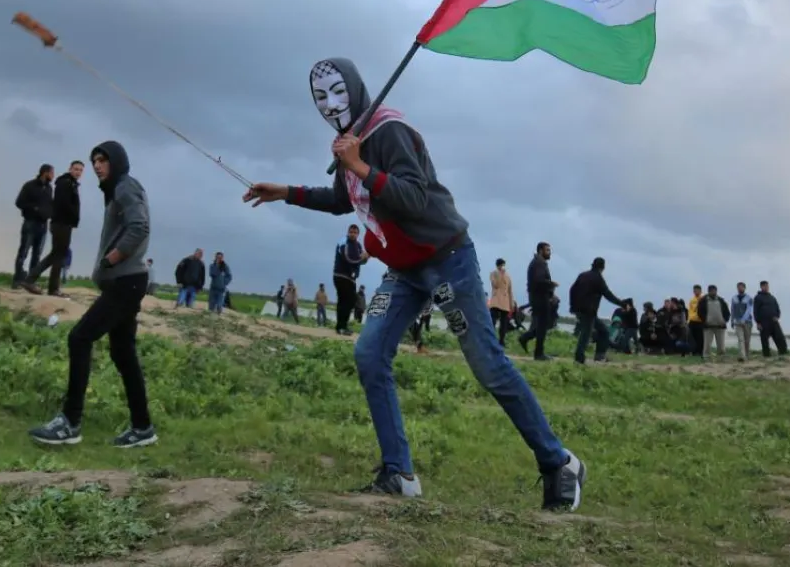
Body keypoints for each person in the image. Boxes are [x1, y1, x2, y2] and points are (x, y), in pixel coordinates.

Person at [241, 57, 584, 510]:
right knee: (369, 352)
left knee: (487, 363)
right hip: (402, 268)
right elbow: (346, 200)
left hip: (447, 258)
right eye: (321, 97)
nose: (330, 104)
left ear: (359, 89)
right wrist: (286, 192)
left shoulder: (388, 131)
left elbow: (414, 195)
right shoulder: (352, 143)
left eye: (339, 93)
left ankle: (557, 463)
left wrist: (360, 166)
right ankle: (398, 473)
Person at [29, 140, 157, 448]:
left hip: (126, 281)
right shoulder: (117, 189)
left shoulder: (126, 186)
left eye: (103, 160)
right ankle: (143, 428)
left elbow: (139, 227)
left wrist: (112, 258)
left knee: (80, 338)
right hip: (125, 281)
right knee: (122, 353)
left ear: (117, 162)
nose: (98, 165)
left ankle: (70, 423)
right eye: (95, 160)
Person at [27, 160, 84, 295]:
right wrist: (72, 217)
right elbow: (63, 204)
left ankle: (51, 287)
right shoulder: (65, 183)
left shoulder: (71, 184)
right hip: (61, 223)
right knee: (57, 254)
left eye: (80, 170)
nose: (78, 172)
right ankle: (33, 280)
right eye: (76, 169)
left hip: (64, 223)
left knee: (58, 255)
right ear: (70, 169)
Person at [568, 258, 627, 365]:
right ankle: (580, 358)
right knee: (587, 334)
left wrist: (572, 306)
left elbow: (572, 290)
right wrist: (622, 304)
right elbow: (608, 295)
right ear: (602, 267)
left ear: (592, 265)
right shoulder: (598, 279)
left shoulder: (582, 275)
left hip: (578, 309)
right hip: (589, 311)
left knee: (602, 331)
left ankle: (598, 356)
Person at [13, 164, 54, 289]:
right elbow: (19, 202)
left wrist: (50, 213)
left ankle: (30, 281)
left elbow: (49, 204)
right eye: (51, 173)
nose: (53, 176)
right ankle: (17, 280)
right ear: (45, 172)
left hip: (43, 225)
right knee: (24, 252)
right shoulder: (29, 185)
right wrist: (34, 209)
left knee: (37, 254)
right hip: (30, 222)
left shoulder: (49, 188)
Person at [518, 243, 558, 361]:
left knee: (543, 325)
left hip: (539, 298)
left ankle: (526, 339)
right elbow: (538, 280)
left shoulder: (539, 263)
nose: (549, 252)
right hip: (539, 299)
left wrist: (551, 293)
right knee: (543, 325)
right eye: (547, 250)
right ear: (541, 251)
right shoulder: (538, 263)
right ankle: (538, 353)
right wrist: (551, 284)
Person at [333, 223, 367, 335]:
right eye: (351, 232)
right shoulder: (343, 241)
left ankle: (342, 326)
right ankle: (341, 327)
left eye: (355, 232)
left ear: (358, 234)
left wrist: (363, 260)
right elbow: (347, 257)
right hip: (341, 275)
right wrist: (362, 259)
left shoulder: (358, 245)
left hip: (351, 278)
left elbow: (359, 262)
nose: (352, 234)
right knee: (344, 301)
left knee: (350, 301)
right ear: (348, 232)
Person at [752, 281, 788, 357]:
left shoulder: (772, 297)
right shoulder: (758, 297)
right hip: (763, 322)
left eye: (767, 286)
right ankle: (766, 355)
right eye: (765, 286)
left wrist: (777, 316)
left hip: (774, 321)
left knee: (780, 338)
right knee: (764, 340)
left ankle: (783, 353)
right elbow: (755, 311)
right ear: (761, 287)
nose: (766, 287)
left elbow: (777, 308)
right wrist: (758, 322)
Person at [488, 258, 517, 347]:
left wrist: (511, 303)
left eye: (503, 265)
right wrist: (500, 274)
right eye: (501, 265)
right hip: (496, 301)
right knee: (493, 320)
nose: (502, 267)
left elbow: (510, 291)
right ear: (497, 266)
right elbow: (495, 285)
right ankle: (491, 339)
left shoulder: (508, 276)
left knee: (504, 323)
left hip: (505, 302)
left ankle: (502, 341)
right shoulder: (493, 274)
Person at [697, 285, 730, 360]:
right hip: (708, 326)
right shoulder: (703, 300)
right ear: (708, 291)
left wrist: (725, 320)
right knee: (707, 344)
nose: (713, 292)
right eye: (711, 291)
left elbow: (727, 312)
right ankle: (706, 357)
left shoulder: (721, 300)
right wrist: (705, 321)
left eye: (714, 290)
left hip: (720, 326)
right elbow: (699, 312)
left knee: (721, 345)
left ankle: (721, 357)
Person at [729, 282, 755, 362]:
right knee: (740, 339)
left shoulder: (749, 298)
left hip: (747, 322)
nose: (740, 288)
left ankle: (747, 355)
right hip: (737, 322)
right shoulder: (734, 298)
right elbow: (732, 309)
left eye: (741, 287)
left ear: (744, 288)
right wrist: (732, 320)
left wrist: (743, 319)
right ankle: (742, 356)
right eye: (738, 287)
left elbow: (749, 310)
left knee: (747, 340)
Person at [686, 285, 706, 357]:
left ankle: (701, 352)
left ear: (700, 291)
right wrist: (689, 319)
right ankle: (694, 352)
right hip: (692, 321)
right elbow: (690, 310)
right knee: (692, 338)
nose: (696, 291)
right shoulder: (692, 300)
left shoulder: (703, 299)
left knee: (700, 337)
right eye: (694, 290)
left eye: (697, 290)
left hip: (700, 321)